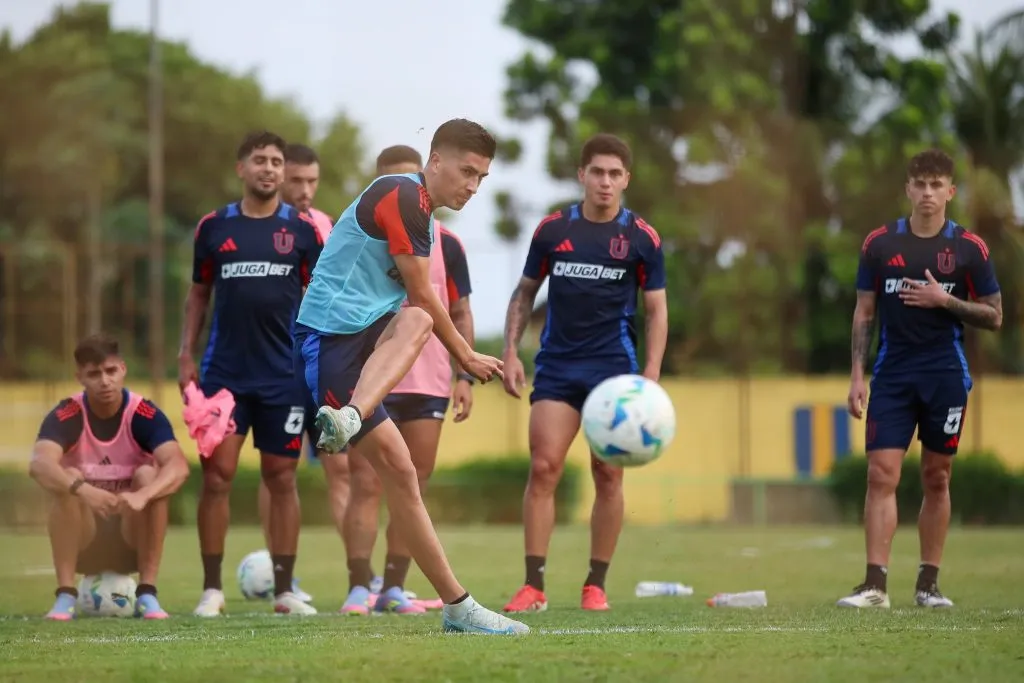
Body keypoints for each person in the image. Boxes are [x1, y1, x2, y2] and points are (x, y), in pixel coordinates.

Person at [294, 118, 528, 635]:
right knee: (421, 315)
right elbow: (422, 295)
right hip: (328, 344)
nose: (473, 185)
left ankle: (457, 608)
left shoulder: (422, 214)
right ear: (435, 161)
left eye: (481, 177)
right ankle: (351, 417)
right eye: (467, 171)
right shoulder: (404, 196)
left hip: (360, 347)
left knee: (402, 476)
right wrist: (466, 357)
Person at [500, 133, 668, 613]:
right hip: (557, 367)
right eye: (597, 172)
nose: (605, 182)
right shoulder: (553, 230)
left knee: (608, 474)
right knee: (544, 468)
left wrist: (650, 374)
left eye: (615, 173)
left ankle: (596, 584)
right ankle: (533, 585)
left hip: (614, 374)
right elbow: (525, 291)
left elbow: (657, 310)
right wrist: (510, 351)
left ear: (626, 179)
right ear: (582, 175)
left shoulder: (642, 238)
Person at [840, 149, 1002, 609]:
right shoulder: (880, 244)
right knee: (880, 474)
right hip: (892, 375)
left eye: (937, 185)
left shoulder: (970, 248)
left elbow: (995, 316)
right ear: (908, 189)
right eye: (920, 184)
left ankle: (928, 585)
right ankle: (874, 585)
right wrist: (857, 375)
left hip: (945, 375)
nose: (928, 193)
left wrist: (943, 300)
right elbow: (864, 311)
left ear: (950, 191)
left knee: (937, 476)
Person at [179, 130, 324, 617]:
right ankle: (211, 590)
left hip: (284, 375)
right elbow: (198, 295)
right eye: (260, 160)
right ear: (241, 168)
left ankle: (284, 591)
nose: (269, 168)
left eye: (276, 161)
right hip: (224, 375)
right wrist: (184, 356)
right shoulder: (213, 227)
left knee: (281, 477)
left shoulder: (303, 231)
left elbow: (320, 299)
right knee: (217, 477)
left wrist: (322, 362)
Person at [340, 144, 476, 616]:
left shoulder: (449, 243)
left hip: (429, 379)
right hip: (371, 374)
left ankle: (393, 588)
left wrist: (464, 375)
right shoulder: (360, 237)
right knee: (365, 482)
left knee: (413, 482)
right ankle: (359, 585)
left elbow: (460, 310)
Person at [29, 334, 190, 620]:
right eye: (94, 374)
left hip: (131, 536)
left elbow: (178, 466)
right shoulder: (68, 412)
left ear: (123, 370)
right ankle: (65, 595)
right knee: (68, 476)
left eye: (111, 371)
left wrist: (142, 495)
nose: (105, 381)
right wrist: (84, 490)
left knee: (149, 476)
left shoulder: (143, 413)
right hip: (84, 538)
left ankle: (147, 594)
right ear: (80, 377)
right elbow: (39, 464)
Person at [253, 142, 340, 601]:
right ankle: (280, 574)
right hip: (274, 366)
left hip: (320, 361)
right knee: (277, 471)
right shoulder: (263, 227)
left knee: (342, 468)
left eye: (313, 182)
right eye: (297, 181)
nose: (305, 191)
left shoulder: (326, 226)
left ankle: (359, 581)